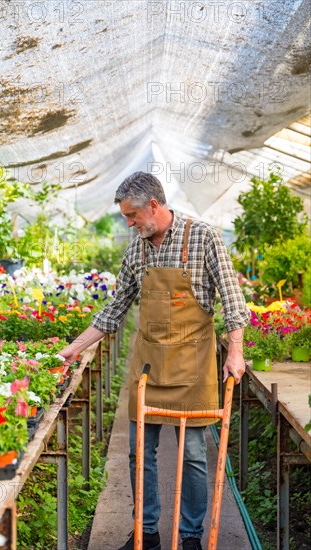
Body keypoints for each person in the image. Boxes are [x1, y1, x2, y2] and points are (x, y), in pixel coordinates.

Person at [59, 172, 250, 550]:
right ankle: (146, 533)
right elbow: (114, 309)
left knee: (193, 456)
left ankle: (192, 536)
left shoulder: (203, 237)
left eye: (132, 216)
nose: (129, 224)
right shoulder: (137, 250)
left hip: (192, 368)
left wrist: (236, 351)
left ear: (153, 205)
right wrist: (73, 349)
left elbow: (232, 299)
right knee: (138, 453)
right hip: (148, 368)